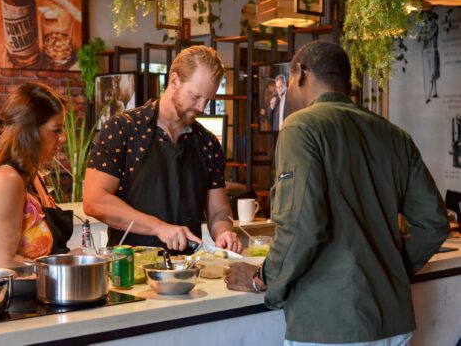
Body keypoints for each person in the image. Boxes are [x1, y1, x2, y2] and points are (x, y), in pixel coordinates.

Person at [224, 41, 449, 345]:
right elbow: (433, 223)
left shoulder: (301, 127)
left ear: (300, 73)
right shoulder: (394, 135)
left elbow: (301, 224)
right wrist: (386, 270)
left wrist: (261, 278)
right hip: (393, 323)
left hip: (329, 322)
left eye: (287, 81)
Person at [83, 45, 242, 254]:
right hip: (129, 270)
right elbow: (94, 201)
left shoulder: (208, 144)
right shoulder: (123, 128)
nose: (202, 108)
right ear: (174, 81)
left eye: (208, 99)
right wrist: (159, 227)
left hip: (186, 271)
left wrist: (224, 231)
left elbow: (219, 211)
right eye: (195, 96)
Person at [0, 83, 73, 268]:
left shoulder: (32, 177)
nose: (63, 138)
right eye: (56, 130)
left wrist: (69, 260)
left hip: (41, 293)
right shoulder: (5, 181)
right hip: (14, 295)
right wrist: (65, 265)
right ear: (29, 131)